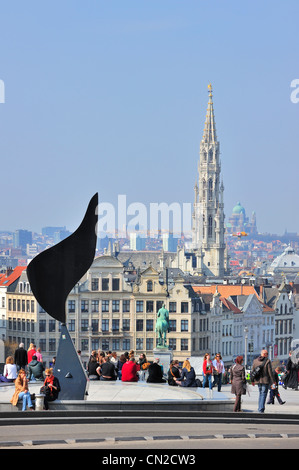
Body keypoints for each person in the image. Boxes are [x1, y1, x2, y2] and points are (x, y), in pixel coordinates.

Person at [251, 349, 275, 413]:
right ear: (264, 354)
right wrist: (273, 382)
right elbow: (270, 372)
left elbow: (252, 371)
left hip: (258, 380)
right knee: (263, 394)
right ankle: (261, 409)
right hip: (265, 380)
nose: (267, 355)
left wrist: (252, 380)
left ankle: (260, 407)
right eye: (267, 354)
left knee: (261, 394)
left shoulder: (255, 361)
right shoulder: (267, 361)